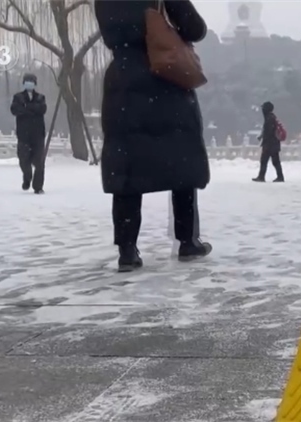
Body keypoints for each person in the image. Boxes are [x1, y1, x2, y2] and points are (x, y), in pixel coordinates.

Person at [94, 0, 213, 270]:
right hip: (164, 77)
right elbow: (195, 29)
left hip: (123, 84)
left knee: (127, 169)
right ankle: (187, 240)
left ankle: (127, 250)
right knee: (182, 163)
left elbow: (112, 33)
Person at [10, 73, 48, 194]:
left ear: (35, 83)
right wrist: (32, 109)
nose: (29, 83)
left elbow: (42, 109)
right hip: (23, 135)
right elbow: (15, 110)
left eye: (31, 81)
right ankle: (27, 177)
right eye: (27, 81)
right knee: (23, 160)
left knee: (39, 162)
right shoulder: (18, 97)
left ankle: (38, 186)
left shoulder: (40, 97)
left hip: (38, 134)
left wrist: (26, 107)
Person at [253, 101, 285, 182]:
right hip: (274, 144)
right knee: (275, 162)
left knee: (264, 161)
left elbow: (269, 132)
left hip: (270, 144)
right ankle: (280, 177)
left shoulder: (269, 118)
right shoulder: (272, 117)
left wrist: (265, 142)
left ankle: (261, 177)